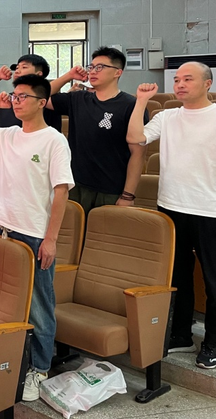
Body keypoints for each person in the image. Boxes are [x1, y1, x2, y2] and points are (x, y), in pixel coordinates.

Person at [0, 74, 74, 402]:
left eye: (24, 96)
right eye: (14, 95)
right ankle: (12, 357)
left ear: (42, 102)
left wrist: (51, 239)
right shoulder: (6, 134)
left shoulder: (54, 140)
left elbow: (61, 192)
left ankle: (40, 367)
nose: (17, 101)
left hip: (34, 235)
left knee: (39, 305)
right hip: (2, 229)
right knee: (4, 300)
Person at [126, 63, 216, 369]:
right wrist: (141, 101)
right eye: (176, 80)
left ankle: (213, 342)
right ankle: (181, 334)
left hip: (209, 209)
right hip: (171, 206)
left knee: (213, 280)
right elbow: (135, 138)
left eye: (188, 79)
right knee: (177, 276)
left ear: (208, 83)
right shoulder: (167, 116)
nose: (180, 84)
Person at [48, 47, 147, 216]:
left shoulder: (131, 105)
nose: (93, 71)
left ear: (117, 72)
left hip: (111, 189)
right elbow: (40, 97)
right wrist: (69, 76)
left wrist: (127, 195)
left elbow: (138, 154)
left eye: (100, 67)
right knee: (72, 231)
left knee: (102, 232)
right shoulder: (78, 99)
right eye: (91, 67)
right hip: (75, 185)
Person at [0, 54, 62, 132]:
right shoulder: (6, 99)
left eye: (24, 67)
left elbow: (48, 90)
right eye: (17, 68)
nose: (17, 71)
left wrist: (69, 75)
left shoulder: (46, 99)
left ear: (39, 74)